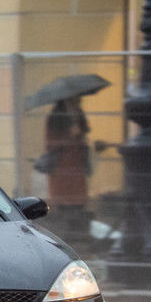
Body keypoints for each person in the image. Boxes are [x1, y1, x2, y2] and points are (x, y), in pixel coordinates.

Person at [43, 97, 92, 242]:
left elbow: (82, 142)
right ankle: (66, 237)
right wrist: (70, 136)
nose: (78, 104)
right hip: (62, 169)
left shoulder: (79, 117)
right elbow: (50, 144)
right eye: (75, 101)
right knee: (64, 205)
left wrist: (79, 137)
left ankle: (77, 237)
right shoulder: (55, 119)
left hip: (76, 169)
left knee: (77, 204)